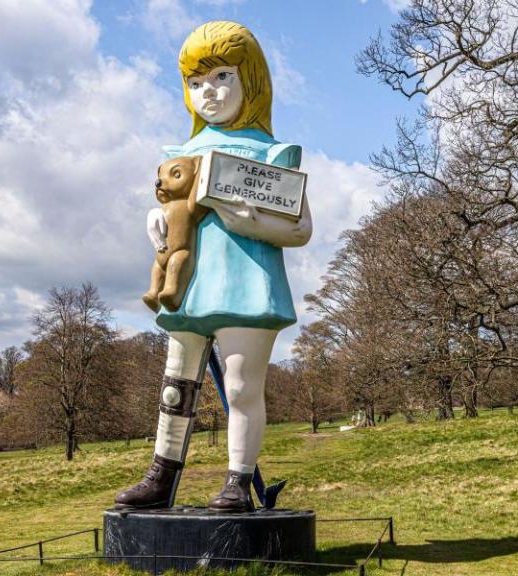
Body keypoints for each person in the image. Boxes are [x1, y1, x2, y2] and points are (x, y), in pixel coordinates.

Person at [114, 21, 312, 513]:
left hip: (247, 281)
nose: (209, 92)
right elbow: (171, 208)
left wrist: (248, 220)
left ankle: (237, 482)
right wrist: (154, 221)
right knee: (175, 385)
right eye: (196, 82)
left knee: (243, 386)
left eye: (221, 76)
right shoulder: (181, 154)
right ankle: (161, 474)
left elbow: (301, 228)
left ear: (251, 79)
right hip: (191, 285)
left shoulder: (272, 153)